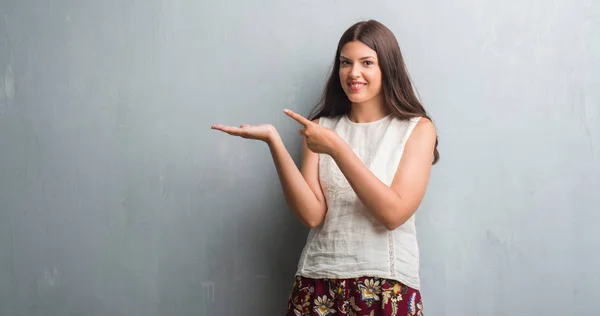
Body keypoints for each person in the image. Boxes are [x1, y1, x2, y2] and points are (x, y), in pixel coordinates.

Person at [212, 19, 438, 316]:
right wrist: (274, 142)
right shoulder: (320, 128)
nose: (353, 73)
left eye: (366, 62)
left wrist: (337, 148)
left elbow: (392, 214)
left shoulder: (417, 129)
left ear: (388, 68)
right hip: (317, 283)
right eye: (345, 63)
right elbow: (312, 214)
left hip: (386, 287)